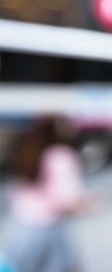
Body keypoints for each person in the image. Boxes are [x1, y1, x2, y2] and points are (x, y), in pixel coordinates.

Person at [1, 115, 99, 272]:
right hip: (49, 230)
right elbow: (66, 201)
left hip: (21, 227)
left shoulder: (26, 150)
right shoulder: (61, 155)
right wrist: (92, 202)